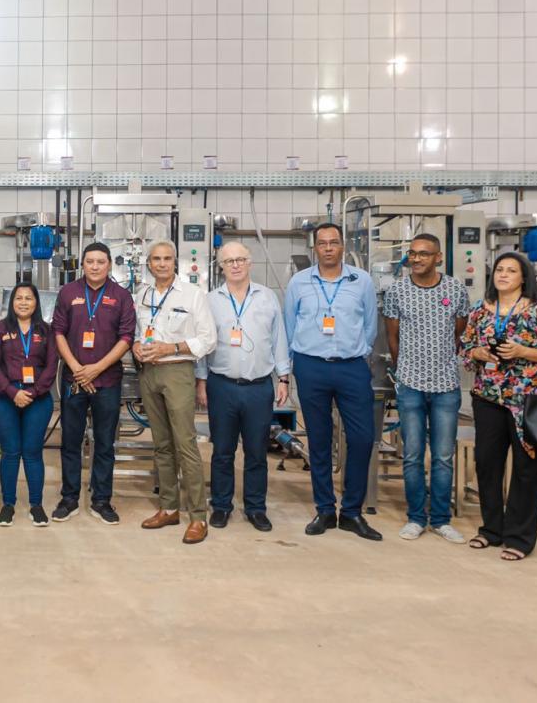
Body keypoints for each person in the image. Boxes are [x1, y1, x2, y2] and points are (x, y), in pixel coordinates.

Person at [460, 252, 537, 561]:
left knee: (526, 468)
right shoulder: (480, 311)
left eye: (511, 270)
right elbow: (466, 348)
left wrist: (524, 351)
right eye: (499, 269)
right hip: (488, 398)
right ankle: (491, 530)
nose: (503, 275)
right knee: (487, 464)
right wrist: (479, 353)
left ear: (524, 278)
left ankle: (520, 538)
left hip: (528, 401)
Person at [283, 222, 382, 540]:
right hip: (311, 367)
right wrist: (292, 366)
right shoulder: (299, 282)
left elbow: (370, 326)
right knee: (320, 439)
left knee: (362, 438)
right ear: (315, 248)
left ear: (343, 246)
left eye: (334, 242)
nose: (328, 248)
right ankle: (325, 509)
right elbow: (288, 325)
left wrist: (359, 352)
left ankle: (352, 512)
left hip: (352, 367)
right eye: (322, 243)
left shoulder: (361, 281)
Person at [195, 241, 291, 533]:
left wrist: (283, 377)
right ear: (221, 267)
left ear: (250, 262)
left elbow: (279, 338)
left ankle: (256, 508)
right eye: (229, 261)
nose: (235, 265)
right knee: (222, 451)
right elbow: (203, 343)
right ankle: (221, 505)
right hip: (221, 385)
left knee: (256, 452)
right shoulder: (210, 300)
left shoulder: (267, 297)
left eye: (240, 259)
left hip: (259, 387)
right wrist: (201, 381)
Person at [383, 233, 472, 543]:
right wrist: (404, 370)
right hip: (410, 385)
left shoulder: (455, 289)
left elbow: (460, 332)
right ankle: (416, 518)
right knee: (412, 454)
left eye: (424, 253)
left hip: (446, 385)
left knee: (443, 456)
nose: (417, 258)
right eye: (412, 253)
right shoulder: (397, 291)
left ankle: (441, 519)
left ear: (438, 258)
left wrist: (441, 361)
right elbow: (392, 337)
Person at [132, 241, 216, 544]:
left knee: (185, 445)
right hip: (149, 372)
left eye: (167, 258)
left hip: (178, 370)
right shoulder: (142, 294)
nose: (162, 263)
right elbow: (137, 331)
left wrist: (171, 348)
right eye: (156, 259)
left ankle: (198, 516)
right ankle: (169, 508)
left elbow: (208, 339)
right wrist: (136, 345)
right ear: (149, 264)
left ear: (175, 262)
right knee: (161, 444)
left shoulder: (193, 295)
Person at [52, 242, 136, 525]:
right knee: (70, 441)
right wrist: (78, 369)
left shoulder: (121, 296)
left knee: (104, 442)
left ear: (109, 264)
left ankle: (101, 500)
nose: (95, 266)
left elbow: (127, 337)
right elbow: (58, 332)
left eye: (101, 261)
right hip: (74, 380)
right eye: (90, 261)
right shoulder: (68, 292)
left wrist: (97, 369)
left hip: (107, 380)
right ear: (83, 264)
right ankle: (69, 498)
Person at [0, 283, 60, 527]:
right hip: (4, 397)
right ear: (12, 302)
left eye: (29, 298)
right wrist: (12, 392)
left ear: (36, 302)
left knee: (32, 451)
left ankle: (36, 505)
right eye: (19, 298)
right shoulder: (0, 328)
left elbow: (51, 366)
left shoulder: (46, 331)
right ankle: (8, 505)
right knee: (10, 451)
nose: (24, 302)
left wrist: (33, 392)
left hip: (37, 398)